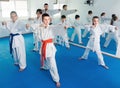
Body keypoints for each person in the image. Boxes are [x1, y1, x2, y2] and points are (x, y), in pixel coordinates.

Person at [38, 13, 60, 88]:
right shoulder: (40, 27)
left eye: (48, 19)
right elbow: (38, 36)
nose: (47, 21)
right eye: (45, 19)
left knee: (52, 63)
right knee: (45, 58)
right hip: (43, 45)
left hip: (50, 47)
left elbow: (57, 27)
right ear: (42, 20)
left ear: (50, 20)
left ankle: (56, 79)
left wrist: (64, 27)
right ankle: (45, 67)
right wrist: (40, 27)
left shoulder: (51, 27)